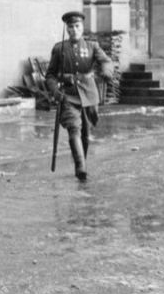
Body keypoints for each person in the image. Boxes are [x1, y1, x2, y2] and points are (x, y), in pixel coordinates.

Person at [45, 11, 113, 182]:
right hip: (67, 94)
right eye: (70, 27)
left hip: (89, 95)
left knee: (85, 133)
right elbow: (50, 75)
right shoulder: (59, 48)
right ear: (67, 29)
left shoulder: (92, 46)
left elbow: (105, 61)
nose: (74, 29)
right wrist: (55, 91)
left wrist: (106, 71)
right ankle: (80, 168)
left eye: (77, 26)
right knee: (73, 129)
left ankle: (82, 160)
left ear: (82, 28)